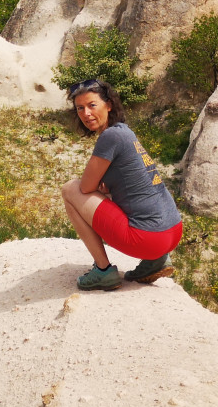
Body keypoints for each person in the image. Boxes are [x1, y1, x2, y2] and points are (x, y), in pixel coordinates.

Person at [60, 78, 182, 290]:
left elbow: (85, 188)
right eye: (80, 108)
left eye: (92, 105)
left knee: (70, 189)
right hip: (172, 230)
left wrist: (98, 188)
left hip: (149, 238)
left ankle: (103, 271)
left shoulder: (110, 136)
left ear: (109, 105)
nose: (86, 114)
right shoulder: (124, 131)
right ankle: (157, 260)